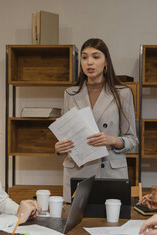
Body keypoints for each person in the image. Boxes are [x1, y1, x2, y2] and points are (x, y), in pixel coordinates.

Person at [54, 38, 138, 202]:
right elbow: (65, 135)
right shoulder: (70, 94)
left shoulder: (123, 93)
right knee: (75, 225)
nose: (89, 62)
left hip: (109, 172)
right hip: (78, 171)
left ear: (106, 61)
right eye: (84, 57)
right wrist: (59, 147)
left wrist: (111, 139)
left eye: (96, 57)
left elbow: (132, 140)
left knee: (110, 225)